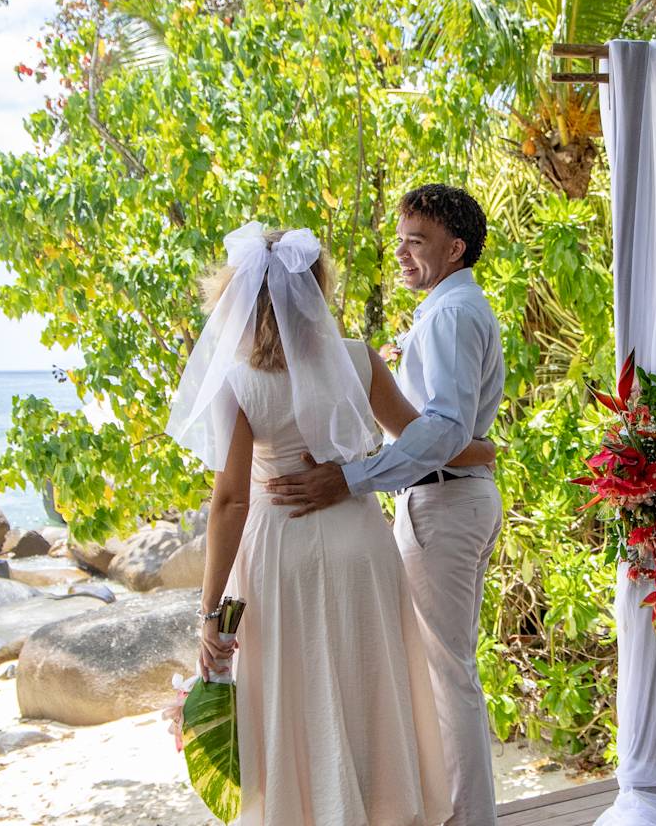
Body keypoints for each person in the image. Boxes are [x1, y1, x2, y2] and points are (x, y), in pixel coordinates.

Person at [167, 221, 495, 826]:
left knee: (296, 688)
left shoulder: (238, 380)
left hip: (280, 546)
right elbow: (421, 435)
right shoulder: (356, 360)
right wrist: (481, 449)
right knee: (364, 681)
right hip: (360, 544)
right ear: (313, 288)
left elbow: (231, 501)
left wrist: (210, 610)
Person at [268, 184, 507, 826]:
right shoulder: (449, 307)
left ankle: (466, 819)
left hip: (443, 506)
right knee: (443, 670)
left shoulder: (453, 313)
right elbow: (453, 428)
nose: (400, 253)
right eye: (399, 239)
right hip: (454, 497)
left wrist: (351, 478)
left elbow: (447, 426)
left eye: (416, 241)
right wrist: (474, 446)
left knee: (447, 674)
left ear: (455, 249)